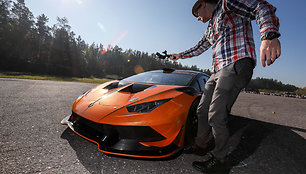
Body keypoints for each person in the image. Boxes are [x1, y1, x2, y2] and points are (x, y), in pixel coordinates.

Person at [169, 0, 281, 172]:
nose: (197, 18)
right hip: (217, 70)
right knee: (202, 110)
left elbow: (261, 7)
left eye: (196, 13)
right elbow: (199, 47)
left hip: (236, 63)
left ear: (203, 4)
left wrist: (269, 35)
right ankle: (201, 146)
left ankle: (220, 161)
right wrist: (179, 55)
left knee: (216, 114)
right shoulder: (210, 27)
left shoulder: (227, 4)